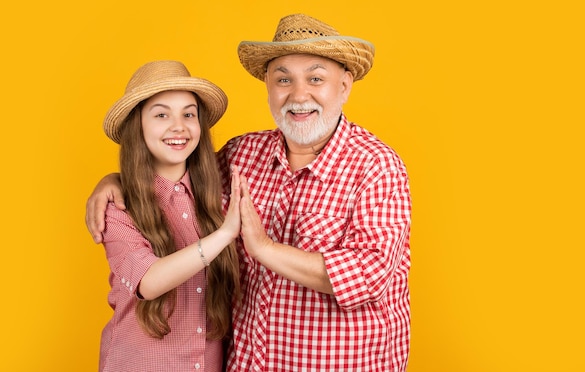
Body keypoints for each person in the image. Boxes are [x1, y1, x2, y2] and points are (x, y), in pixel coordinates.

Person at [87, 14, 412, 371]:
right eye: (283, 79)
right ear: (269, 87)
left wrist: (265, 249)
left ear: (345, 85)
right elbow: (173, 168)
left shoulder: (376, 165)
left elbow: (369, 275)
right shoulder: (242, 154)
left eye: (315, 78)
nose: (298, 94)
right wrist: (116, 180)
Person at [95, 60, 241, 372]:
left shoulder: (219, 190)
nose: (179, 126)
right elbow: (148, 281)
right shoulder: (118, 206)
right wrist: (224, 235)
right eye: (162, 114)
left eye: (189, 114)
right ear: (139, 127)